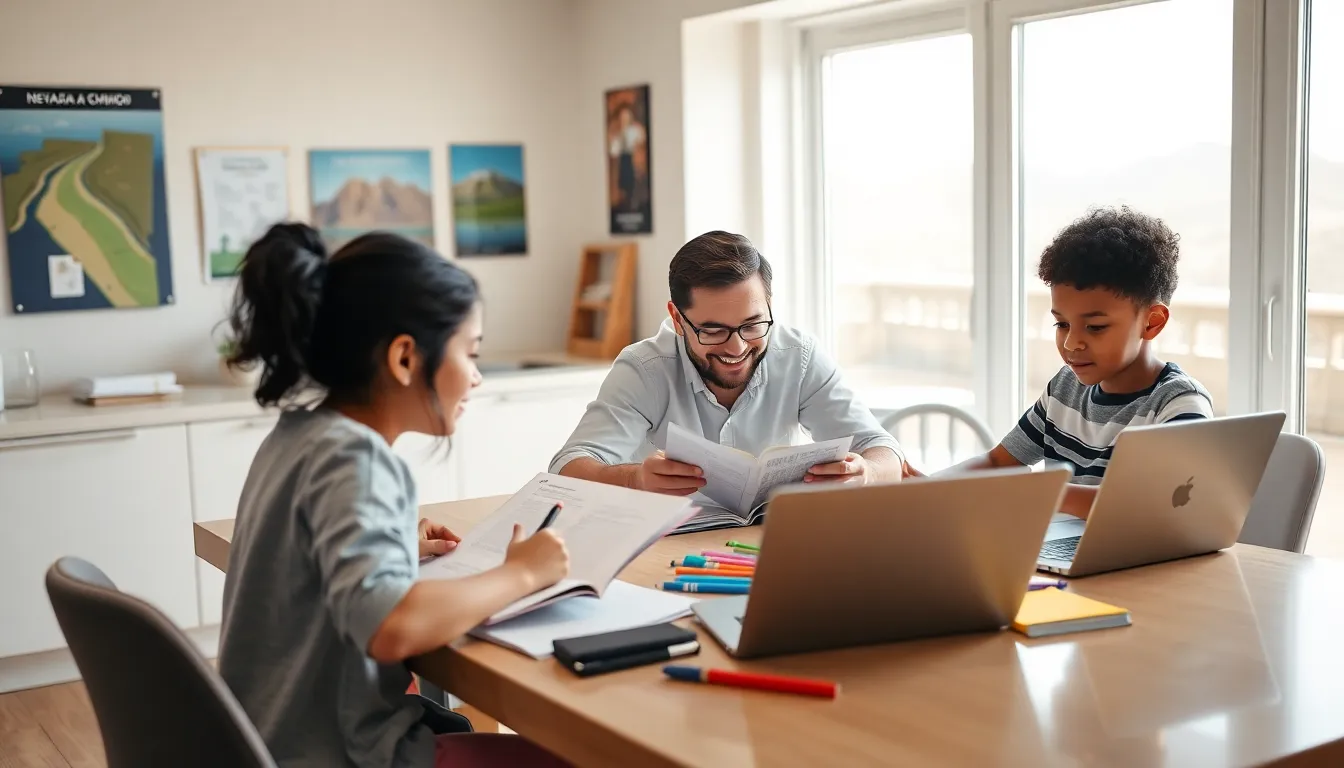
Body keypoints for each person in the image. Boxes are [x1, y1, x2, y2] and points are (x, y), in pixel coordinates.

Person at [217, 223, 571, 768]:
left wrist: (395, 544)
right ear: (405, 358)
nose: (475, 377)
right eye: (469, 353)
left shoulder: (296, 435)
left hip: (265, 742)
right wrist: (522, 574)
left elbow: (307, 563)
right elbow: (391, 627)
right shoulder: (357, 459)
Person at [550, 230, 910, 496]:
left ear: (769, 305)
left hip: (768, 544)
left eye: (752, 325)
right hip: (670, 547)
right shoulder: (644, 369)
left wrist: (865, 473)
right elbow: (566, 470)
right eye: (712, 330)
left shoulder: (798, 356)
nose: (737, 347)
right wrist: (635, 479)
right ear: (677, 319)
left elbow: (881, 448)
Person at [943, 206, 1214, 518]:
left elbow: (1155, 502)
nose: (1071, 343)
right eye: (1062, 325)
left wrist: (1040, 493)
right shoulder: (1064, 388)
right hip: (1057, 554)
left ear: (1151, 322)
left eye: (1095, 327)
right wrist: (930, 487)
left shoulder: (1177, 404)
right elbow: (997, 464)